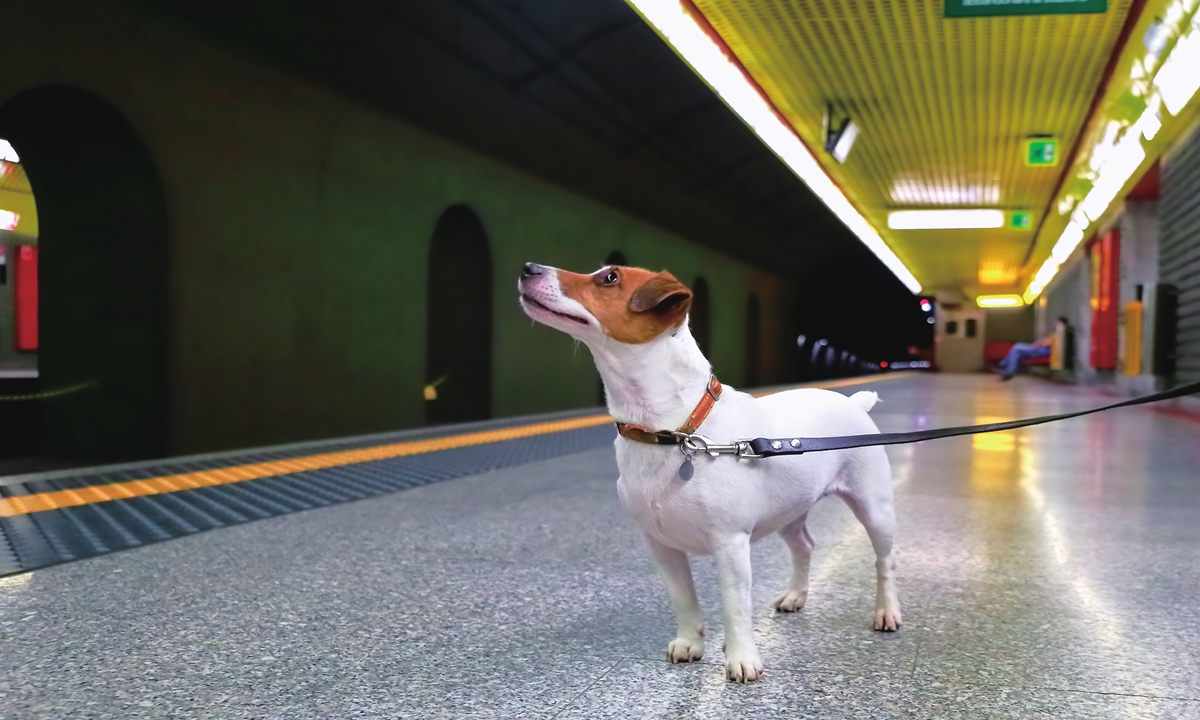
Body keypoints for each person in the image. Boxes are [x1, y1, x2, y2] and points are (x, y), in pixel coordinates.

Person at [995, 317, 1068, 381]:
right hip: (1043, 349)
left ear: (1062, 324)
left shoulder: (1060, 334)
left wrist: (1037, 344)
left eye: (1057, 323)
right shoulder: (1057, 334)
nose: (1055, 324)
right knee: (1017, 354)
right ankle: (1008, 372)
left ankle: (1002, 365)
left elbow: (1045, 343)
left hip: (1045, 350)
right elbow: (1045, 341)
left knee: (1017, 347)